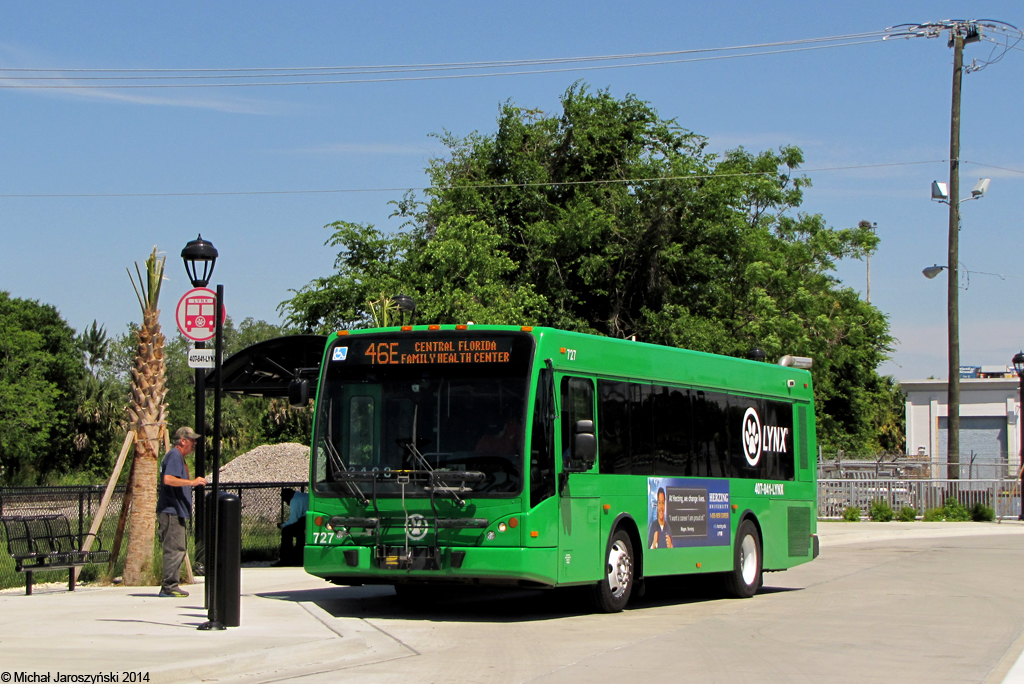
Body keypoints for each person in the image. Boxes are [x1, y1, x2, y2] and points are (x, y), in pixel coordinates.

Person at [157, 426, 206, 597]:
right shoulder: (175, 456)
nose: (194, 443)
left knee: (179, 547)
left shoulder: (178, 457)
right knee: (174, 548)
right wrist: (192, 482)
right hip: (171, 511)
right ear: (183, 440)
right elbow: (169, 479)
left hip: (176, 510)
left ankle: (171, 585)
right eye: (191, 440)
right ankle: (169, 587)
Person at [278, 488, 309, 566]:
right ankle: (298, 559)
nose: (286, 503)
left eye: (285, 500)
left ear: (288, 497)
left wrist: (282, 525)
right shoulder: (302, 496)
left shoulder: (295, 500)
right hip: (309, 519)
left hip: (305, 519)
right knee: (300, 534)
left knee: (286, 531)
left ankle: (285, 560)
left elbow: (293, 519)